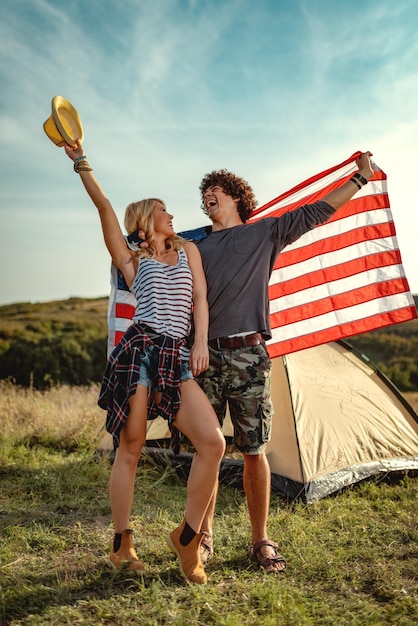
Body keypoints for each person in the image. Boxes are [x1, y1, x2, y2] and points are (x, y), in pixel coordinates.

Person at [195, 152, 374, 573]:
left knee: (254, 450)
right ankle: (203, 537)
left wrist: (360, 179)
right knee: (208, 451)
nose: (207, 196)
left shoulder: (266, 233)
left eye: (215, 190)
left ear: (237, 197)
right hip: (204, 356)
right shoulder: (195, 243)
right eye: (204, 194)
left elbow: (319, 211)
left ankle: (260, 540)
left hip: (249, 355)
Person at [63, 140, 226, 585]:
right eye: (164, 210)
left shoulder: (188, 250)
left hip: (178, 353)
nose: (172, 216)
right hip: (140, 351)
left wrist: (201, 343)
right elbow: (104, 209)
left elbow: (199, 300)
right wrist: (81, 162)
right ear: (146, 219)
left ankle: (188, 538)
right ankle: (122, 543)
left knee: (213, 443)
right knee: (131, 449)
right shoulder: (132, 261)